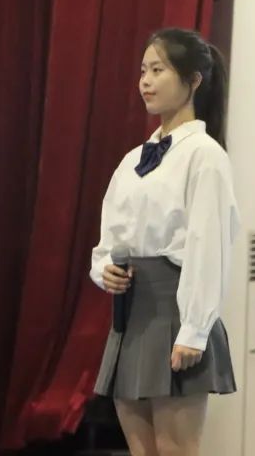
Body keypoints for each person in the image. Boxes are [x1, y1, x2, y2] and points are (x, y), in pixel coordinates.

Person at [90, 27, 240, 456]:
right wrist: (104, 270)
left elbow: (208, 245)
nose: (146, 81)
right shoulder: (132, 160)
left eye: (158, 70)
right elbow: (108, 240)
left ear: (193, 80)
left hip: (176, 311)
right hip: (131, 316)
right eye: (143, 71)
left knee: (176, 449)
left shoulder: (205, 154)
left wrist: (194, 328)